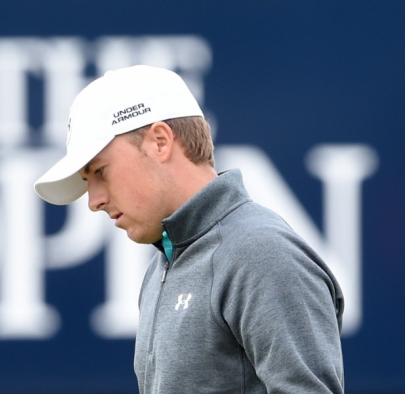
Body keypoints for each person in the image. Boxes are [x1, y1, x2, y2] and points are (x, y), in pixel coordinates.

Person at [34, 65, 345, 393]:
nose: (93, 201)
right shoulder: (163, 265)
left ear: (159, 142)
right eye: (88, 180)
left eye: (100, 171)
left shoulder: (261, 253)